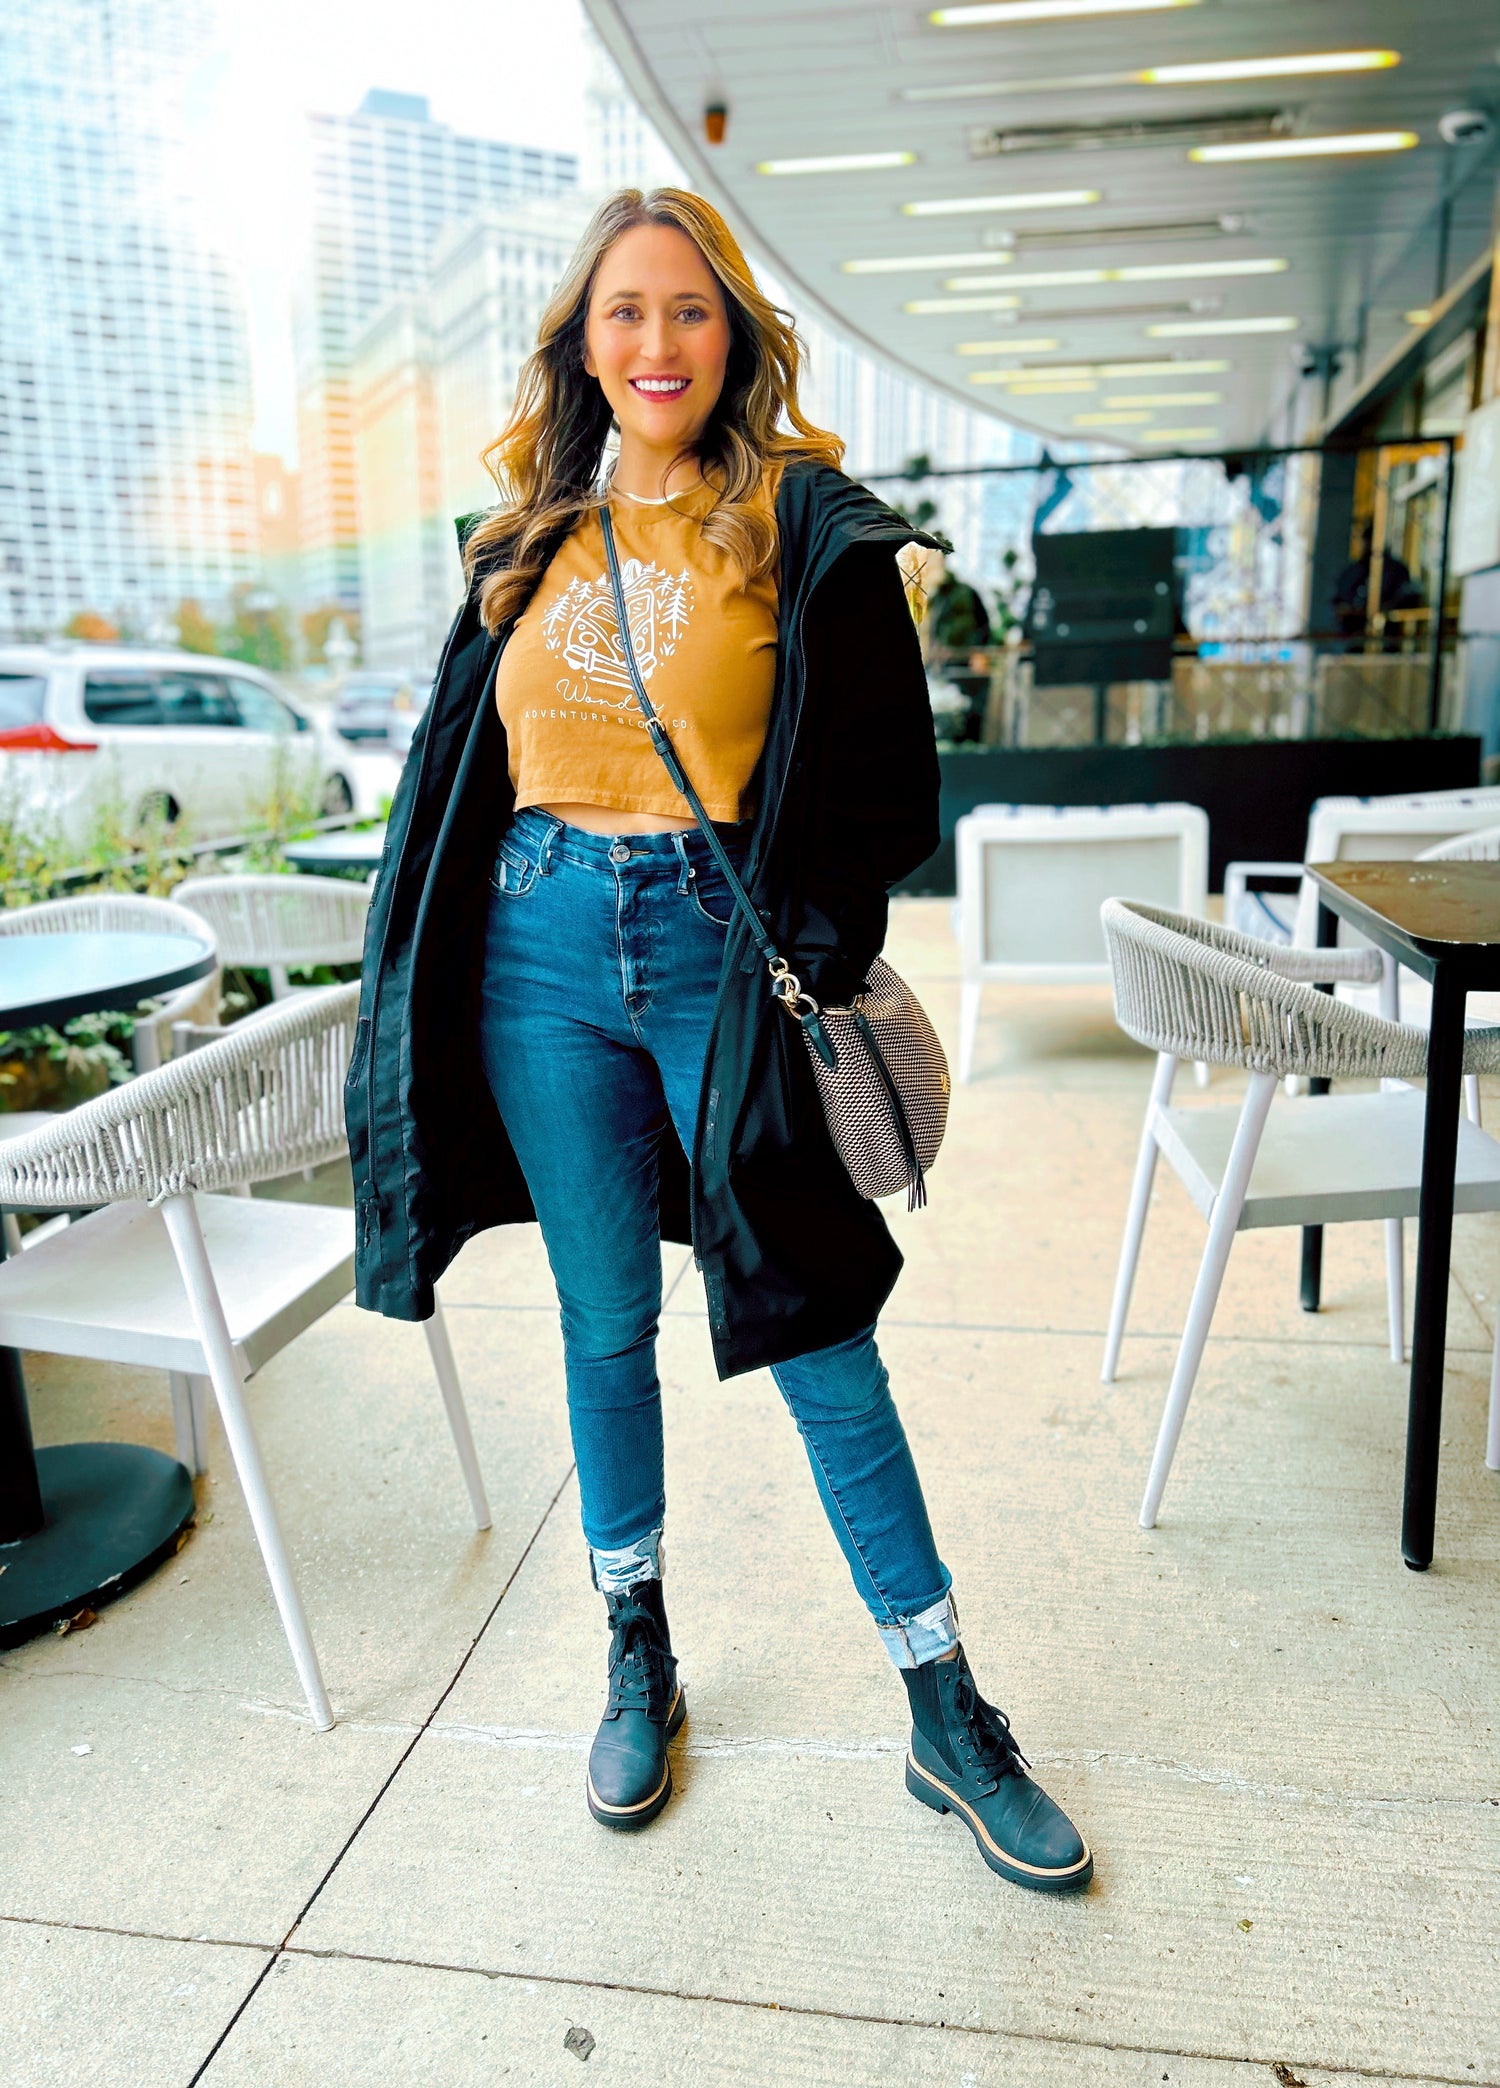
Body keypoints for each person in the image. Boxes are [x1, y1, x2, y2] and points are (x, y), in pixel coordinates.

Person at [347, 187, 1091, 1894]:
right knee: (605, 1320)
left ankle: (941, 1699)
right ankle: (637, 1651)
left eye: (688, 311)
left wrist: (812, 951)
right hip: (536, 959)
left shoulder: (802, 522)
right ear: (582, 343)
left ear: (731, 336)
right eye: (625, 313)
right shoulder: (521, 538)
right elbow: (454, 789)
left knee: (820, 1324)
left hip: (716, 951)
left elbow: (889, 791)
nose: (657, 343)